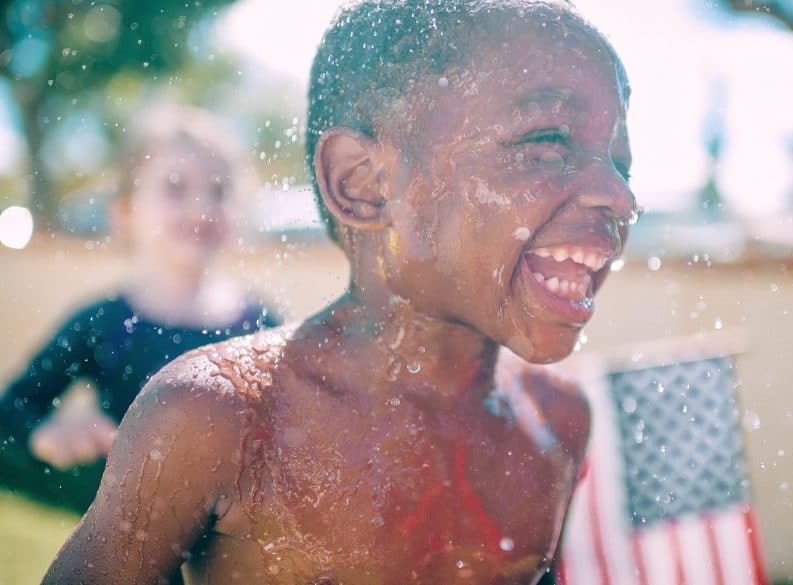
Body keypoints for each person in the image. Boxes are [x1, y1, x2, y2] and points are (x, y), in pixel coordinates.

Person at [44, 1, 637, 582]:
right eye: (549, 141)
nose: (620, 196)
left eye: (620, 163)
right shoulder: (224, 419)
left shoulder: (557, 421)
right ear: (363, 183)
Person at [0, 104, 278, 513]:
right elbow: (11, 411)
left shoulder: (259, 326)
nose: (201, 208)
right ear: (126, 212)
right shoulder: (103, 324)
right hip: (127, 554)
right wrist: (44, 434)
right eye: (175, 187)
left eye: (217, 191)